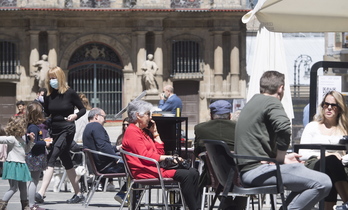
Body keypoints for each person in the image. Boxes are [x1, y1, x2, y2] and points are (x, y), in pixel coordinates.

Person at [235, 70, 332, 210]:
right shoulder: (271, 102)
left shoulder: (252, 103)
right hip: (257, 171)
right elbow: (284, 127)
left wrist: (282, 157)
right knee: (324, 182)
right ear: (281, 88)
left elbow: (256, 141)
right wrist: (280, 157)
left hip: (248, 170)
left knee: (304, 181)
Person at [122, 100, 200, 210]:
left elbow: (159, 153)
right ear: (138, 115)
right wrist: (170, 157)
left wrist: (155, 133)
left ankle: (191, 206)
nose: (150, 117)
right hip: (145, 171)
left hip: (154, 168)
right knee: (186, 175)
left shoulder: (143, 132)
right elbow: (145, 155)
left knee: (194, 172)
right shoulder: (132, 132)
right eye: (148, 114)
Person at [36, 66, 86, 204]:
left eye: (54, 78)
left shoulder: (69, 93)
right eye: (50, 78)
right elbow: (47, 113)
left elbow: (82, 109)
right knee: (66, 160)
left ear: (60, 78)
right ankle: (79, 193)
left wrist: (75, 115)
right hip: (55, 130)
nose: (52, 80)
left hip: (67, 129)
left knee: (52, 157)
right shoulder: (48, 95)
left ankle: (41, 193)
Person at [194, 99, 247, 209]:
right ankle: (237, 206)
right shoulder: (241, 128)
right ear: (230, 115)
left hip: (213, 177)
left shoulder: (200, 128)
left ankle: (228, 205)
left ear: (211, 115)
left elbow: (197, 152)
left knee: (216, 170)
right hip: (240, 177)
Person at [300, 90, 348, 210]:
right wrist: (326, 154)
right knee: (330, 161)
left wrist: (342, 158)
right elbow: (302, 153)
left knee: (330, 168)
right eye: (326, 105)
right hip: (313, 163)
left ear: (340, 108)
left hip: (339, 166)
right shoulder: (312, 126)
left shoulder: (344, 129)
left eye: (333, 105)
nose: (329, 108)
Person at [82, 108, 127, 203]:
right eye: (104, 117)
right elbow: (103, 146)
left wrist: (116, 148)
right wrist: (116, 158)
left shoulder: (88, 127)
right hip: (107, 167)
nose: (105, 120)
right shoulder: (96, 126)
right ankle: (123, 194)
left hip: (99, 166)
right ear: (96, 116)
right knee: (136, 169)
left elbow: (101, 146)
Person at [0, 116, 35, 210]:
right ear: (18, 128)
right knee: (14, 187)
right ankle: (2, 204)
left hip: (21, 165)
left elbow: (26, 150)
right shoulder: (11, 139)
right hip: (13, 165)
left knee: (23, 188)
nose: (26, 129)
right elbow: (1, 139)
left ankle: (25, 206)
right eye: (24, 127)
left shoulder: (21, 139)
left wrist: (31, 141)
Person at [25, 101, 52, 210]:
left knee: (34, 180)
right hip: (35, 157)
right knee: (33, 181)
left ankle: (31, 204)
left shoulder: (32, 126)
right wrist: (45, 143)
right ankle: (31, 205)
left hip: (35, 156)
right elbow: (34, 143)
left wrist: (43, 140)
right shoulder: (33, 128)